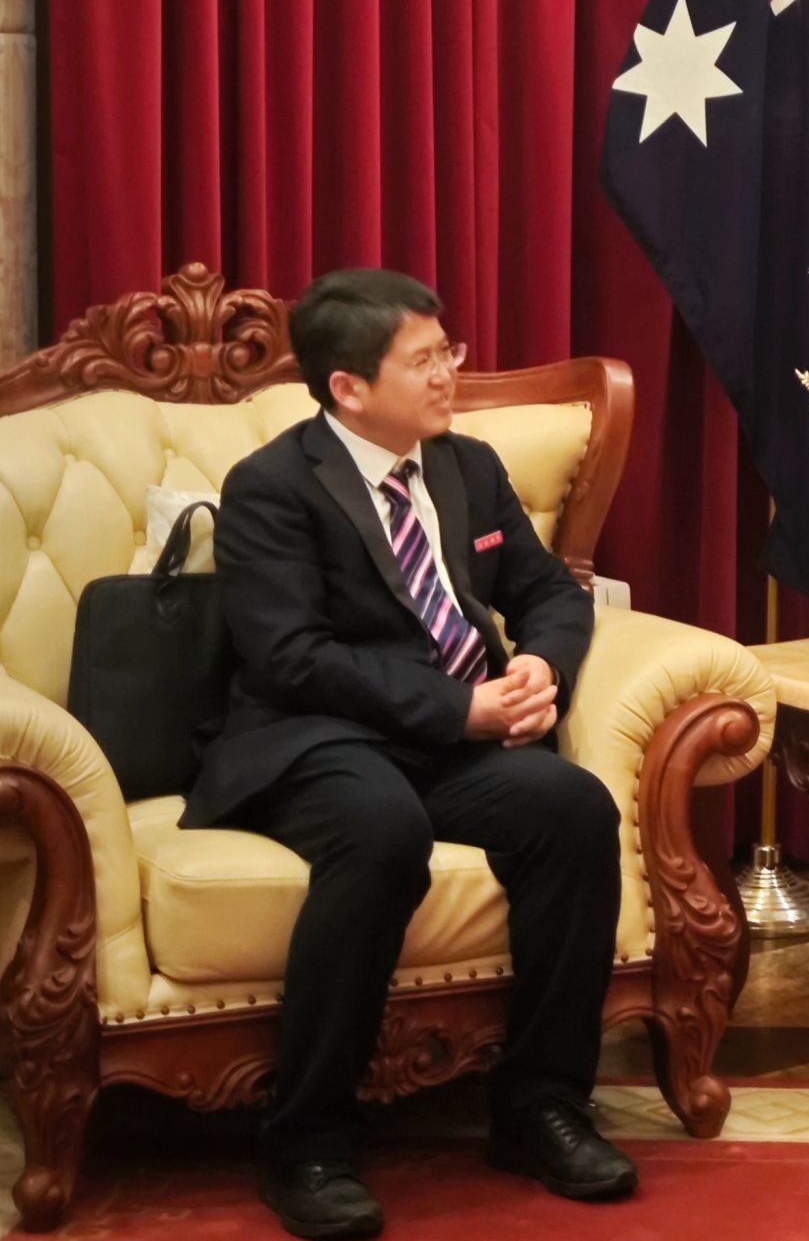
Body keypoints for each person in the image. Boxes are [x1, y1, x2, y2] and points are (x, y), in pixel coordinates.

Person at [185, 269, 635, 1238]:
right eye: (424, 359)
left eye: (448, 351)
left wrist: (541, 670)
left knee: (572, 808)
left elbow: (548, 591)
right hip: (319, 736)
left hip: (452, 737)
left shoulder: (466, 466)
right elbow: (291, 656)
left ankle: (541, 1105)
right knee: (382, 831)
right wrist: (459, 707)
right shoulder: (270, 487)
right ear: (349, 387)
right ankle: (306, 1142)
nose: (448, 374)